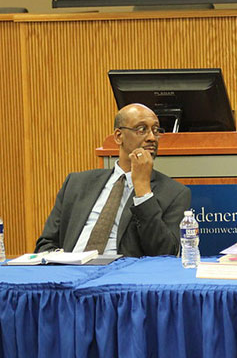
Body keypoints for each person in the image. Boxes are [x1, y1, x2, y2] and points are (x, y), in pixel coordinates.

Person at [35, 103, 191, 257]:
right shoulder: (76, 183)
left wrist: (143, 192)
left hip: (122, 275)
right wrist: (61, 261)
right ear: (118, 136)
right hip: (70, 270)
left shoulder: (174, 193)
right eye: (142, 129)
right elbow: (46, 243)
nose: (151, 137)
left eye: (156, 131)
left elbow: (164, 253)